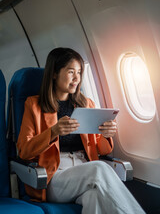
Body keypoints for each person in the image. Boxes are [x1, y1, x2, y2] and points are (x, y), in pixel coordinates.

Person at [17, 47, 145, 214]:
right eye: (71, 72)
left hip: (85, 170)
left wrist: (106, 134)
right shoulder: (34, 105)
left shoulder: (86, 104)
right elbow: (24, 151)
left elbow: (104, 150)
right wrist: (53, 132)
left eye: (79, 72)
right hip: (54, 176)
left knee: (94, 197)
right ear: (54, 73)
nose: (77, 78)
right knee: (98, 168)